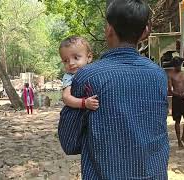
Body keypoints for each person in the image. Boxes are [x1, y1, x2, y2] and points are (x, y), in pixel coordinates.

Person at [58, 0, 169, 179]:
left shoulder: (88, 76)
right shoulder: (158, 75)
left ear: (109, 29)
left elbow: (69, 142)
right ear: (145, 32)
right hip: (153, 174)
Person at [60, 36, 99, 110]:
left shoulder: (95, 71)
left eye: (76, 58)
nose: (71, 63)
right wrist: (84, 103)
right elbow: (66, 97)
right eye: (65, 61)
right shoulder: (69, 76)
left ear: (89, 57)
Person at [168, 57, 184, 149]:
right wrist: (178, 94)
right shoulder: (171, 75)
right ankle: (179, 141)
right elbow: (170, 90)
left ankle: (183, 137)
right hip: (177, 99)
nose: (178, 66)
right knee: (177, 120)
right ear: (174, 65)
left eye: (179, 64)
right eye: (176, 65)